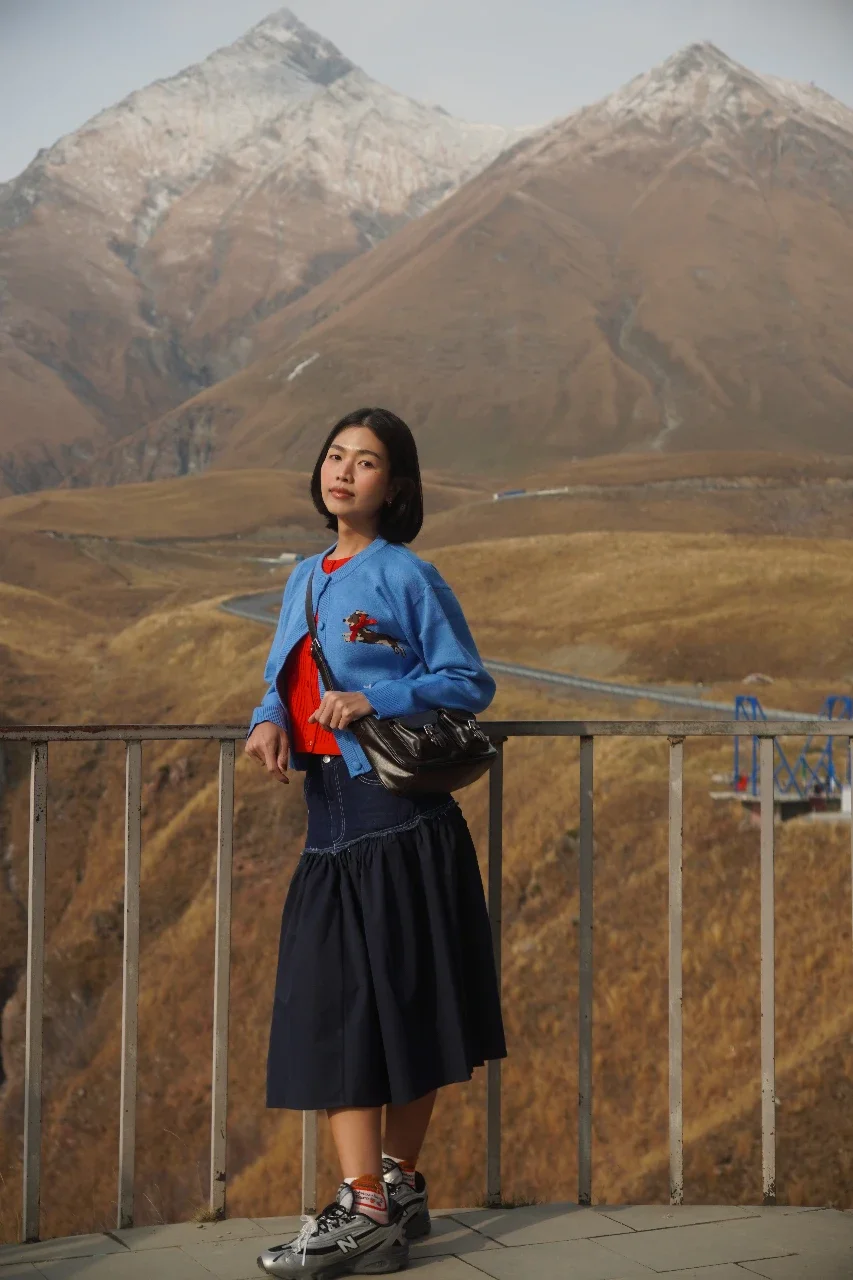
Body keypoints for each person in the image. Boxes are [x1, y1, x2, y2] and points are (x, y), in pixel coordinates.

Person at [245, 408, 506, 1276]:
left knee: (405, 1006)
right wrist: (266, 719)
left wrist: (375, 701)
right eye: (333, 456)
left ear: (393, 488)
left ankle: (377, 1197)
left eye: (365, 463)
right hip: (328, 827)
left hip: (400, 825)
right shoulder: (304, 575)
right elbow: (284, 669)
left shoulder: (406, 575)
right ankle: (384, 1198)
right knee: (338, 1013)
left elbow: (468, 681)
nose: (343, 472)